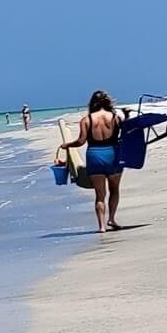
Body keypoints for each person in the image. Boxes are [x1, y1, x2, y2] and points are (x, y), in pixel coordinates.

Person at [68, 89, 125, 233]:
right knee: (114, 189)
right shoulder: (115, 118)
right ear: (108, 102)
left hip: (94, 156)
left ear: (92, 103)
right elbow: (125, 136)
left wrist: (67, 145)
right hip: (113, 155)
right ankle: (111, 219)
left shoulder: (86, 120)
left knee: (100, 194)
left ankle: (101, 226)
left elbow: (81, 141)